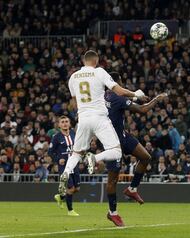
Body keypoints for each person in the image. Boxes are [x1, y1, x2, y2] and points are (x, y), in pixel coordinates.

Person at [58, 50, 147, 197]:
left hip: (83, 118)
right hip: (99, 117)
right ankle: (94, 158)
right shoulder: (99, 72)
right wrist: (135, 94)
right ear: (96, 61)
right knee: (116, 151)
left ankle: (66, 172)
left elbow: (74, 103)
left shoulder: (73, 78)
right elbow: (119, 90)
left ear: (83, 60)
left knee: (76, 153)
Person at [105, 71, 167, 227]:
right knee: (112, 180)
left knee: (145, 157)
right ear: (116, 84)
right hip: (113, 142)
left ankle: (132, 189)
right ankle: (112, 213)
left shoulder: (106, 95)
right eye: (121, 84)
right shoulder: (117, 98)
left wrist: (136, 97)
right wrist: (156, 99)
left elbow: (124, 99)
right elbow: (143, 110)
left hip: (123, 136)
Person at [49, 115, 79, 216]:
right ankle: (70, 210)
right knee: (71, 189)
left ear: (70, 123)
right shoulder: (56, 137)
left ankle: (60, 197)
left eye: (66, 121)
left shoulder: (73, 133)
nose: (65, 123)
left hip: (74, 164)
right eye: (62, 122)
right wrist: (58, 159)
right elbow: (50, 152)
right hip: (64, 167)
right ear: (59, 125)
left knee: (77, 189)